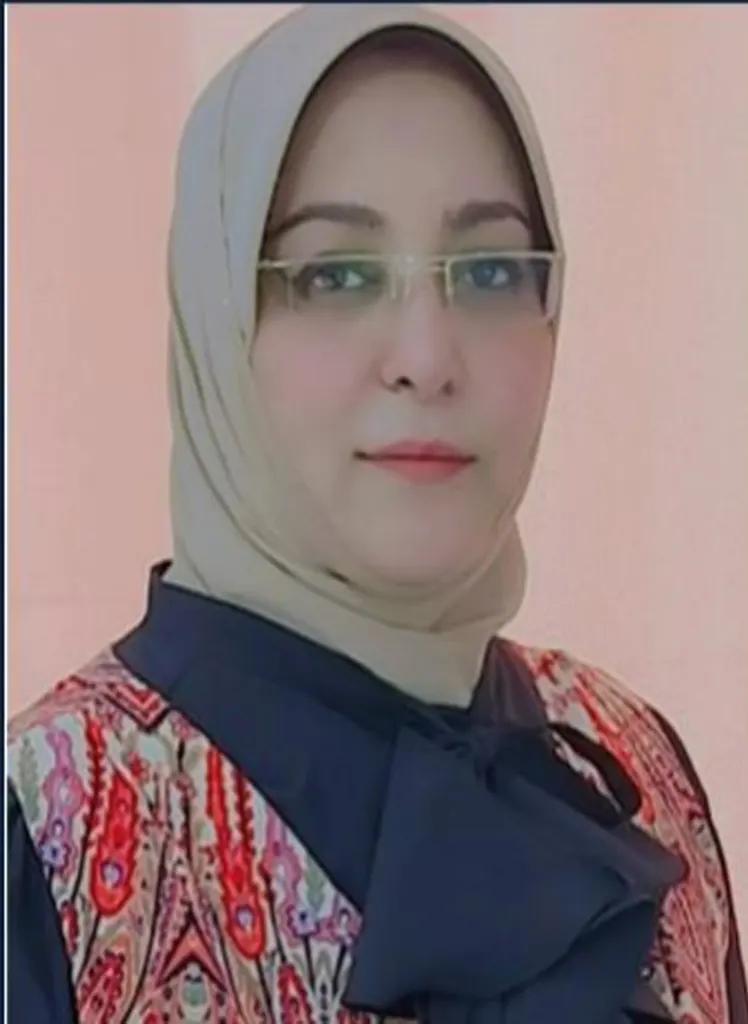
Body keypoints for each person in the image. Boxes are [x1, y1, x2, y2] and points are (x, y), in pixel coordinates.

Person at [7, 5, 747, 1023]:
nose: (427, 357)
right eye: (336, 275)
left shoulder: (627, 763)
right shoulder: (57, 825)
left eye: (490, 270)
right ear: (216, 320)